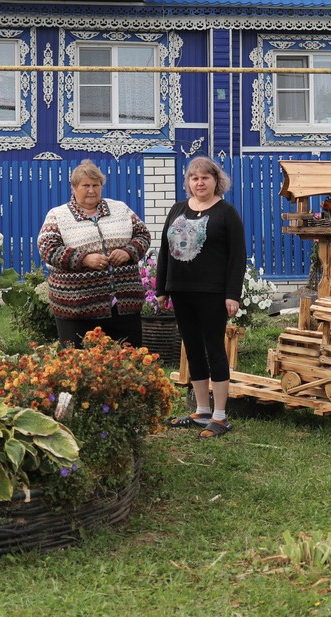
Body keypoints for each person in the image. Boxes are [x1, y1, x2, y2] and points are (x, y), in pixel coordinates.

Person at [155, 156, 246, 438]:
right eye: (194, 178)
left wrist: (232, 294)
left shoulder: (226, 213)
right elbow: (164, 250)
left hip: (213, 293)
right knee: (192, 349)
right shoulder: (178, 209)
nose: (200, 182)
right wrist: (161, 288)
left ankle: (220, 415)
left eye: (205, 177)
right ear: (188, 183)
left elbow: (237, 257)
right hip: (181, 290)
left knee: (214, 349)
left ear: (216, 181)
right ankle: (202, 411)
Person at [38, 160, 150, 348]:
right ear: (74, 187)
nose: (91, 190)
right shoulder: (58, 215)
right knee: (78, 364)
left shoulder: (120, 209)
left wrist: (127, 251)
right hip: (76, 306)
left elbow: (142, 234)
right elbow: (48, 248)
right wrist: (83, 259)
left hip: (123, 304)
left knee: (129, 361)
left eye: (96, 185)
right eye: (86, 185)